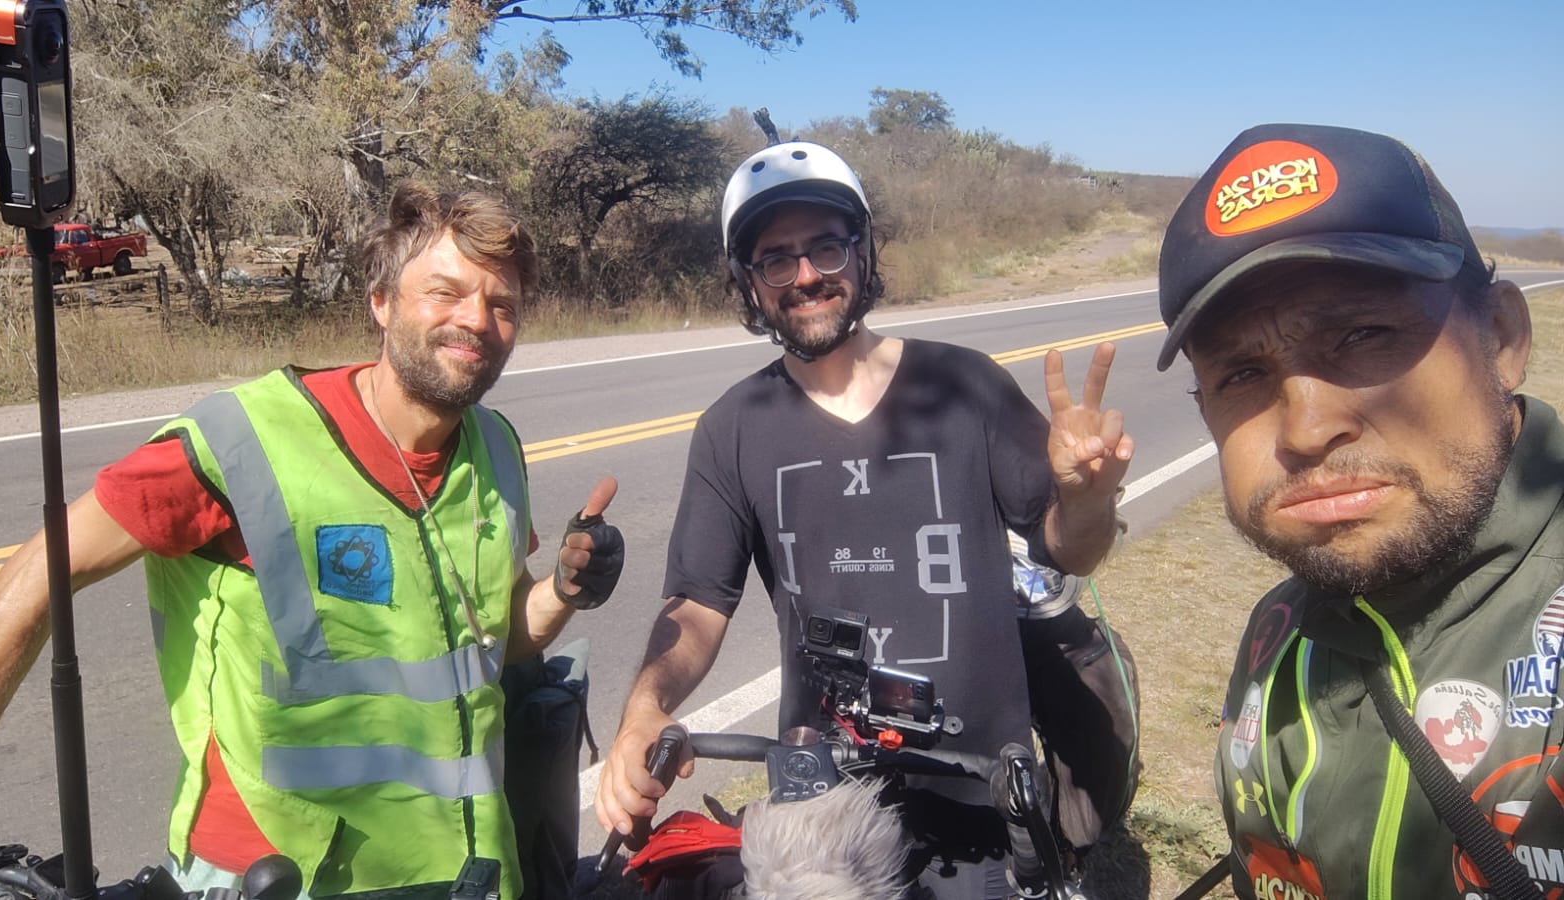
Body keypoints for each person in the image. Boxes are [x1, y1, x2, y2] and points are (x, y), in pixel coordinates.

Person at [0, 183, 625, 900]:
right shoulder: (240, 442)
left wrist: (563, 591)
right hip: (276, 878)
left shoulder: (495, 446)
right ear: (381, 301)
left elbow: (501, 638)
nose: (477, 320)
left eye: (502, 305)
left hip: (468, 870)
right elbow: (42, 568)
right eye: (446, 292)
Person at [595, 140, 1134, 898]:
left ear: (863, 251)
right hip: (822, 812)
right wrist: (642, 710)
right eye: (775, 258)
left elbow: (1069, 550)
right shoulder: (732, 427)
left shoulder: (964, 384)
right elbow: (696, 605)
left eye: (825, 245)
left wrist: (1087, 499)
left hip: (986, 801)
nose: (807, 273)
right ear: (748, 284)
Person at [1156, 122, 1563, 898]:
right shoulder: (1282, 632)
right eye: (1241, 373)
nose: (1307, 430)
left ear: (1503, 338)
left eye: (1364, 333)